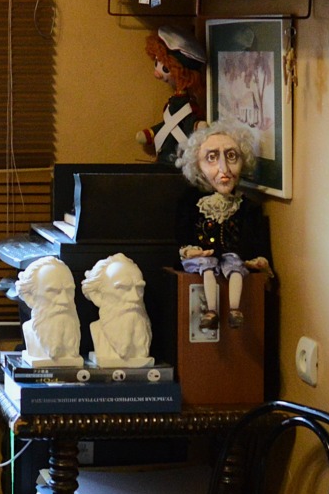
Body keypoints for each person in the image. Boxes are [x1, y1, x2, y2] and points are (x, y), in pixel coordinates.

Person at [175, 118, 271, 329]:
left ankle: (235, 310)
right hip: (204, 263)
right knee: (207, 268)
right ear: (197, 166)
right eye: (211, 158)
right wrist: (188, 250)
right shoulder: (190, 203)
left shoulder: (248, 208)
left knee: (235, 268)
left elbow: (257, 245)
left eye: (231, 156)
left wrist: (258, 261)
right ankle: (211, 311)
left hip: (233, 262)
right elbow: (180, 236)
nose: (223, 168)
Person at [138, 25, 205, 166]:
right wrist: (151, 133)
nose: (157, 73)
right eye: (156, 63)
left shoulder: (188, 105)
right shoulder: (172, 102)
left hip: (179, 160)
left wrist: (196, 125)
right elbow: (167, 125)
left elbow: (187, 124)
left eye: (165, 68)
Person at [80, 254, 152, 368]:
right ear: (97, 295)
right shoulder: (96, 331)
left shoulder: (140, 322)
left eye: (139, 288)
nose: (135, 297)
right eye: (123, 288)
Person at [12, 255, 81, 366]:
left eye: (69, 291)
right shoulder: (28, 330)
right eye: (53, 292)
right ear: (30, 297)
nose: (65, 300)